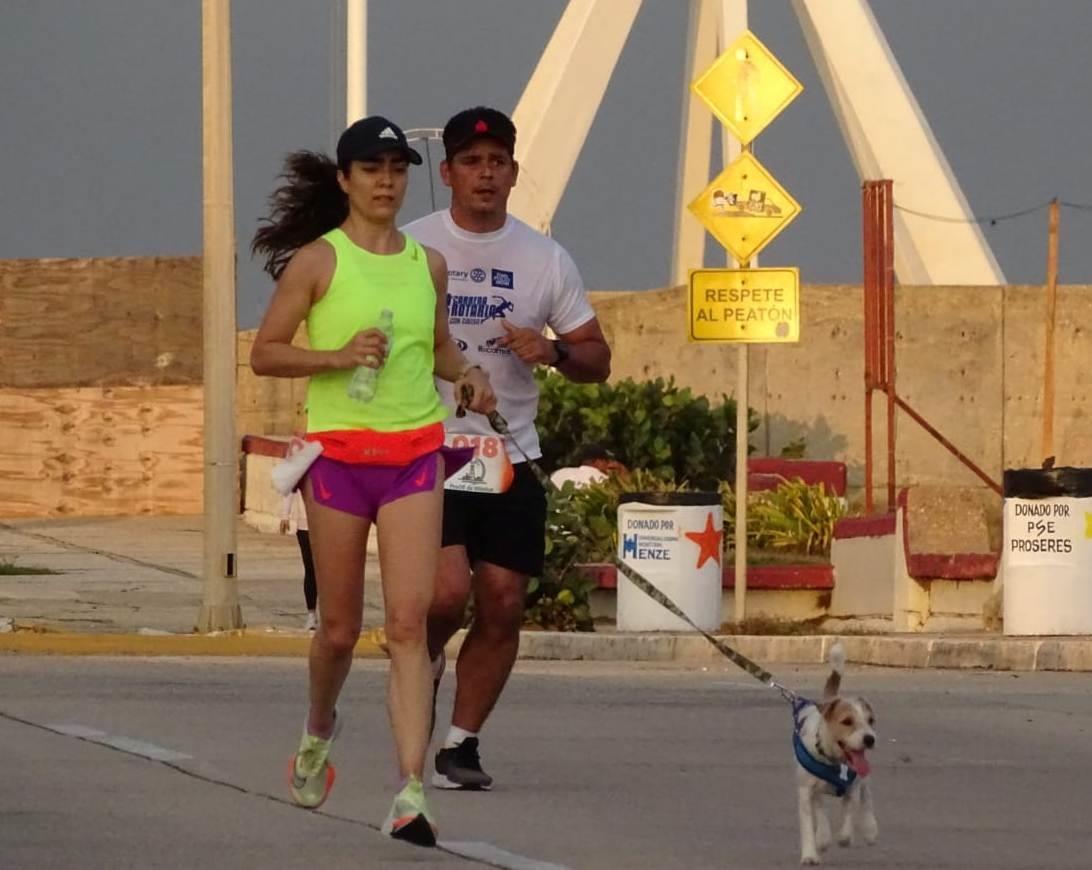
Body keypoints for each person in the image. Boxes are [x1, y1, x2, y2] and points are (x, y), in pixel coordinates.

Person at [249, 115, 496, 846]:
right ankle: (318, 730)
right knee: (338, 629)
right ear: (345, 181)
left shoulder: (428, 265)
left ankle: (412, 792)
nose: (386, 181)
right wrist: (337, 356)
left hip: (416, 454)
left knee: (411, 626)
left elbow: (440, 348)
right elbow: (266, 353)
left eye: (397, 169)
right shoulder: (317, 264)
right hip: (339, 462)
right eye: (372, 169)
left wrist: (472, 374)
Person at [404, 107, 611, 791]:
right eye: (470, 162)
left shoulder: (545, 259)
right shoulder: (412, 248)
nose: (485, 174)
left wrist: (550, 351)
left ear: (514, 173)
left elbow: (595, 357)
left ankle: (460, 744)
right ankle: (420, 669)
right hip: (430, 448)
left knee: (501, 600)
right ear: (448, 173)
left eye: (497, 163)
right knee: (443, 593)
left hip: (508, 453)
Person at [279, 486, 318, 631]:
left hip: (327, 524)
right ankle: (311, 615)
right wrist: (285, 514)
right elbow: (290, 487)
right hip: (305, 525)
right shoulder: (301, 465)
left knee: (327, 571)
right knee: (310, 569)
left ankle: (330, 615)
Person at [549, 444, 627, 489]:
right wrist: (622, 470)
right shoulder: (604, 480)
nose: (609, 464)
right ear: (597, 461)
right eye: (606, 461)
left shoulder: (560, 473)